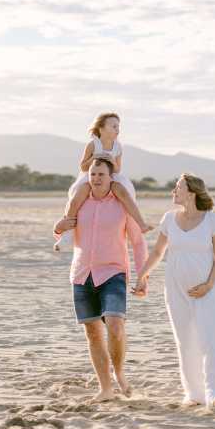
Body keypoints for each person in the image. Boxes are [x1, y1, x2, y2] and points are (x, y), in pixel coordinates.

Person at [133, 173, 215, 408]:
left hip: (207, 290)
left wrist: (208, 285)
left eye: (177, 187)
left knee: (212, 339)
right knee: (185, 341)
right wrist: (142, 275)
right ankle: (195, 394)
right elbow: (158, 252)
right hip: (176, 289)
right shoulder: (169, 218)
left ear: (191, 192)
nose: (173, 191)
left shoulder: (211, 220)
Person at [53, 157, 148, 402]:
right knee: (94, 334)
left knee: (115, 326)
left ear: (111, 178)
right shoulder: (80, 203)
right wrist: (57, 227)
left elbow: (138, 242)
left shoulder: (122, 206)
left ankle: (120, 374)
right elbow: (63, 232)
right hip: (82, 274)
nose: (95, 179)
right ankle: (105, 388)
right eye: (92, 174)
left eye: (101, 175)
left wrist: (143, 275)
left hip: (113, 272)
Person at [54, 112, 151, 251]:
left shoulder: (117, 147)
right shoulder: (93, 144)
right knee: (75, 198)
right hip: (91, 175)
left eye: (118, 127)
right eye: (113, 126)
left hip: (110, 176)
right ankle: (68, 234)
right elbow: (82, 166)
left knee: (126, 193)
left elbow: (117, 169)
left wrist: (112, 161)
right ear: (101, 128)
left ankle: (137, 224)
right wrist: (96, 157)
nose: (117, 130)